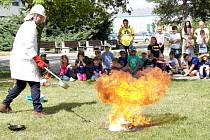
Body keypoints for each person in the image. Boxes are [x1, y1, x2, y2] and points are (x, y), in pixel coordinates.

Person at [0, 5, 47, 117]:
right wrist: (37, 59)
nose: (41, 19)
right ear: (35, 15)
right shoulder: (30, 27)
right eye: (40, 16)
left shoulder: (26, 25)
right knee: (35, 84)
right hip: (25, 60)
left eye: (42, 17)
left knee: (20, 85)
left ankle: (4, 105)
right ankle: (38, 111)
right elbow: (29, 46)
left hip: (20, 59)